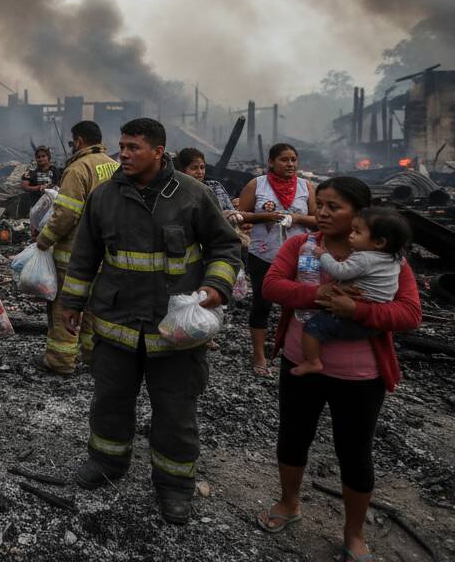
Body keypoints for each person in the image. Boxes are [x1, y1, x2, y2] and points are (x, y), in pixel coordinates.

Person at [61, 118, 242, 524]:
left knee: (175, 411)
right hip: (116, 325)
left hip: (175, 331)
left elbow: (225, 247)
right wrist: (72, 301)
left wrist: (216, 286)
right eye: (121, 145)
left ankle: (174, 485)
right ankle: (107, 462)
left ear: (158, 152)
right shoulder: (104, 197)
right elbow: (84, 255)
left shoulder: (193, 195)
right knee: (109, 401)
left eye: (133, 147)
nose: (122, 153)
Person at [257, 178, 421, 561]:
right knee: (294, 436)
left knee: (355, 450)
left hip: (360, 376)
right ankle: (289, 503)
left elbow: (410, 313)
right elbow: (272, 286)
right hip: (301, 363)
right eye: (321, 205)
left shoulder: (389, 259)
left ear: (359, 215)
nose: (323, 213)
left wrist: (358, 311)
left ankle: (354, 534)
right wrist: (318, 294)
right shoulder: (301, 245)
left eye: (335, 207)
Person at [35, 121, 119, 375]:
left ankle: (61, 361)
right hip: (105, 254)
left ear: (79, 141)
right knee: (95, 309)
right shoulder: (114, 167)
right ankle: (93, 357)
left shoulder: (77, 169)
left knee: (65, 305)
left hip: (75, 255)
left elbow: (66, 215)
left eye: (73, 142)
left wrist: (44, 240)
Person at [292, 207, 411, 376]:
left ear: (379, 243)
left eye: (357, 232)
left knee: (313, 327)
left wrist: (322, 255)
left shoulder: (363, 258)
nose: (351, 235)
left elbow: (340, 271)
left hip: (354, 317)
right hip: (376, 321)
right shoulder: (395, 259)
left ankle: (313, 361)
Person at [237, 143, 317, 376]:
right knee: (262, 302)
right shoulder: (257, 184)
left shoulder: (305, 186)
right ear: (271, 162)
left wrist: (296, 218)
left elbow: (317, 220)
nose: (290, 164)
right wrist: (265, 216)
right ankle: (259, 355)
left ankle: (298, 351)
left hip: (302, 255)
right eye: (284, 160)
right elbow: (241, 216)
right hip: (264, 253)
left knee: (301, 303)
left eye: (293, 160)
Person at [20, 146, 62, 217]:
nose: (41, 159)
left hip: (51, 205)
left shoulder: (54, 170)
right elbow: (24, 186)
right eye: (38, 157)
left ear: (48, 157)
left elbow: (59, 185)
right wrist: (38, 187)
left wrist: (50, 187)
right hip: (36, 204)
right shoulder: (31, 171)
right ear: (36, 159)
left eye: (43, 156)